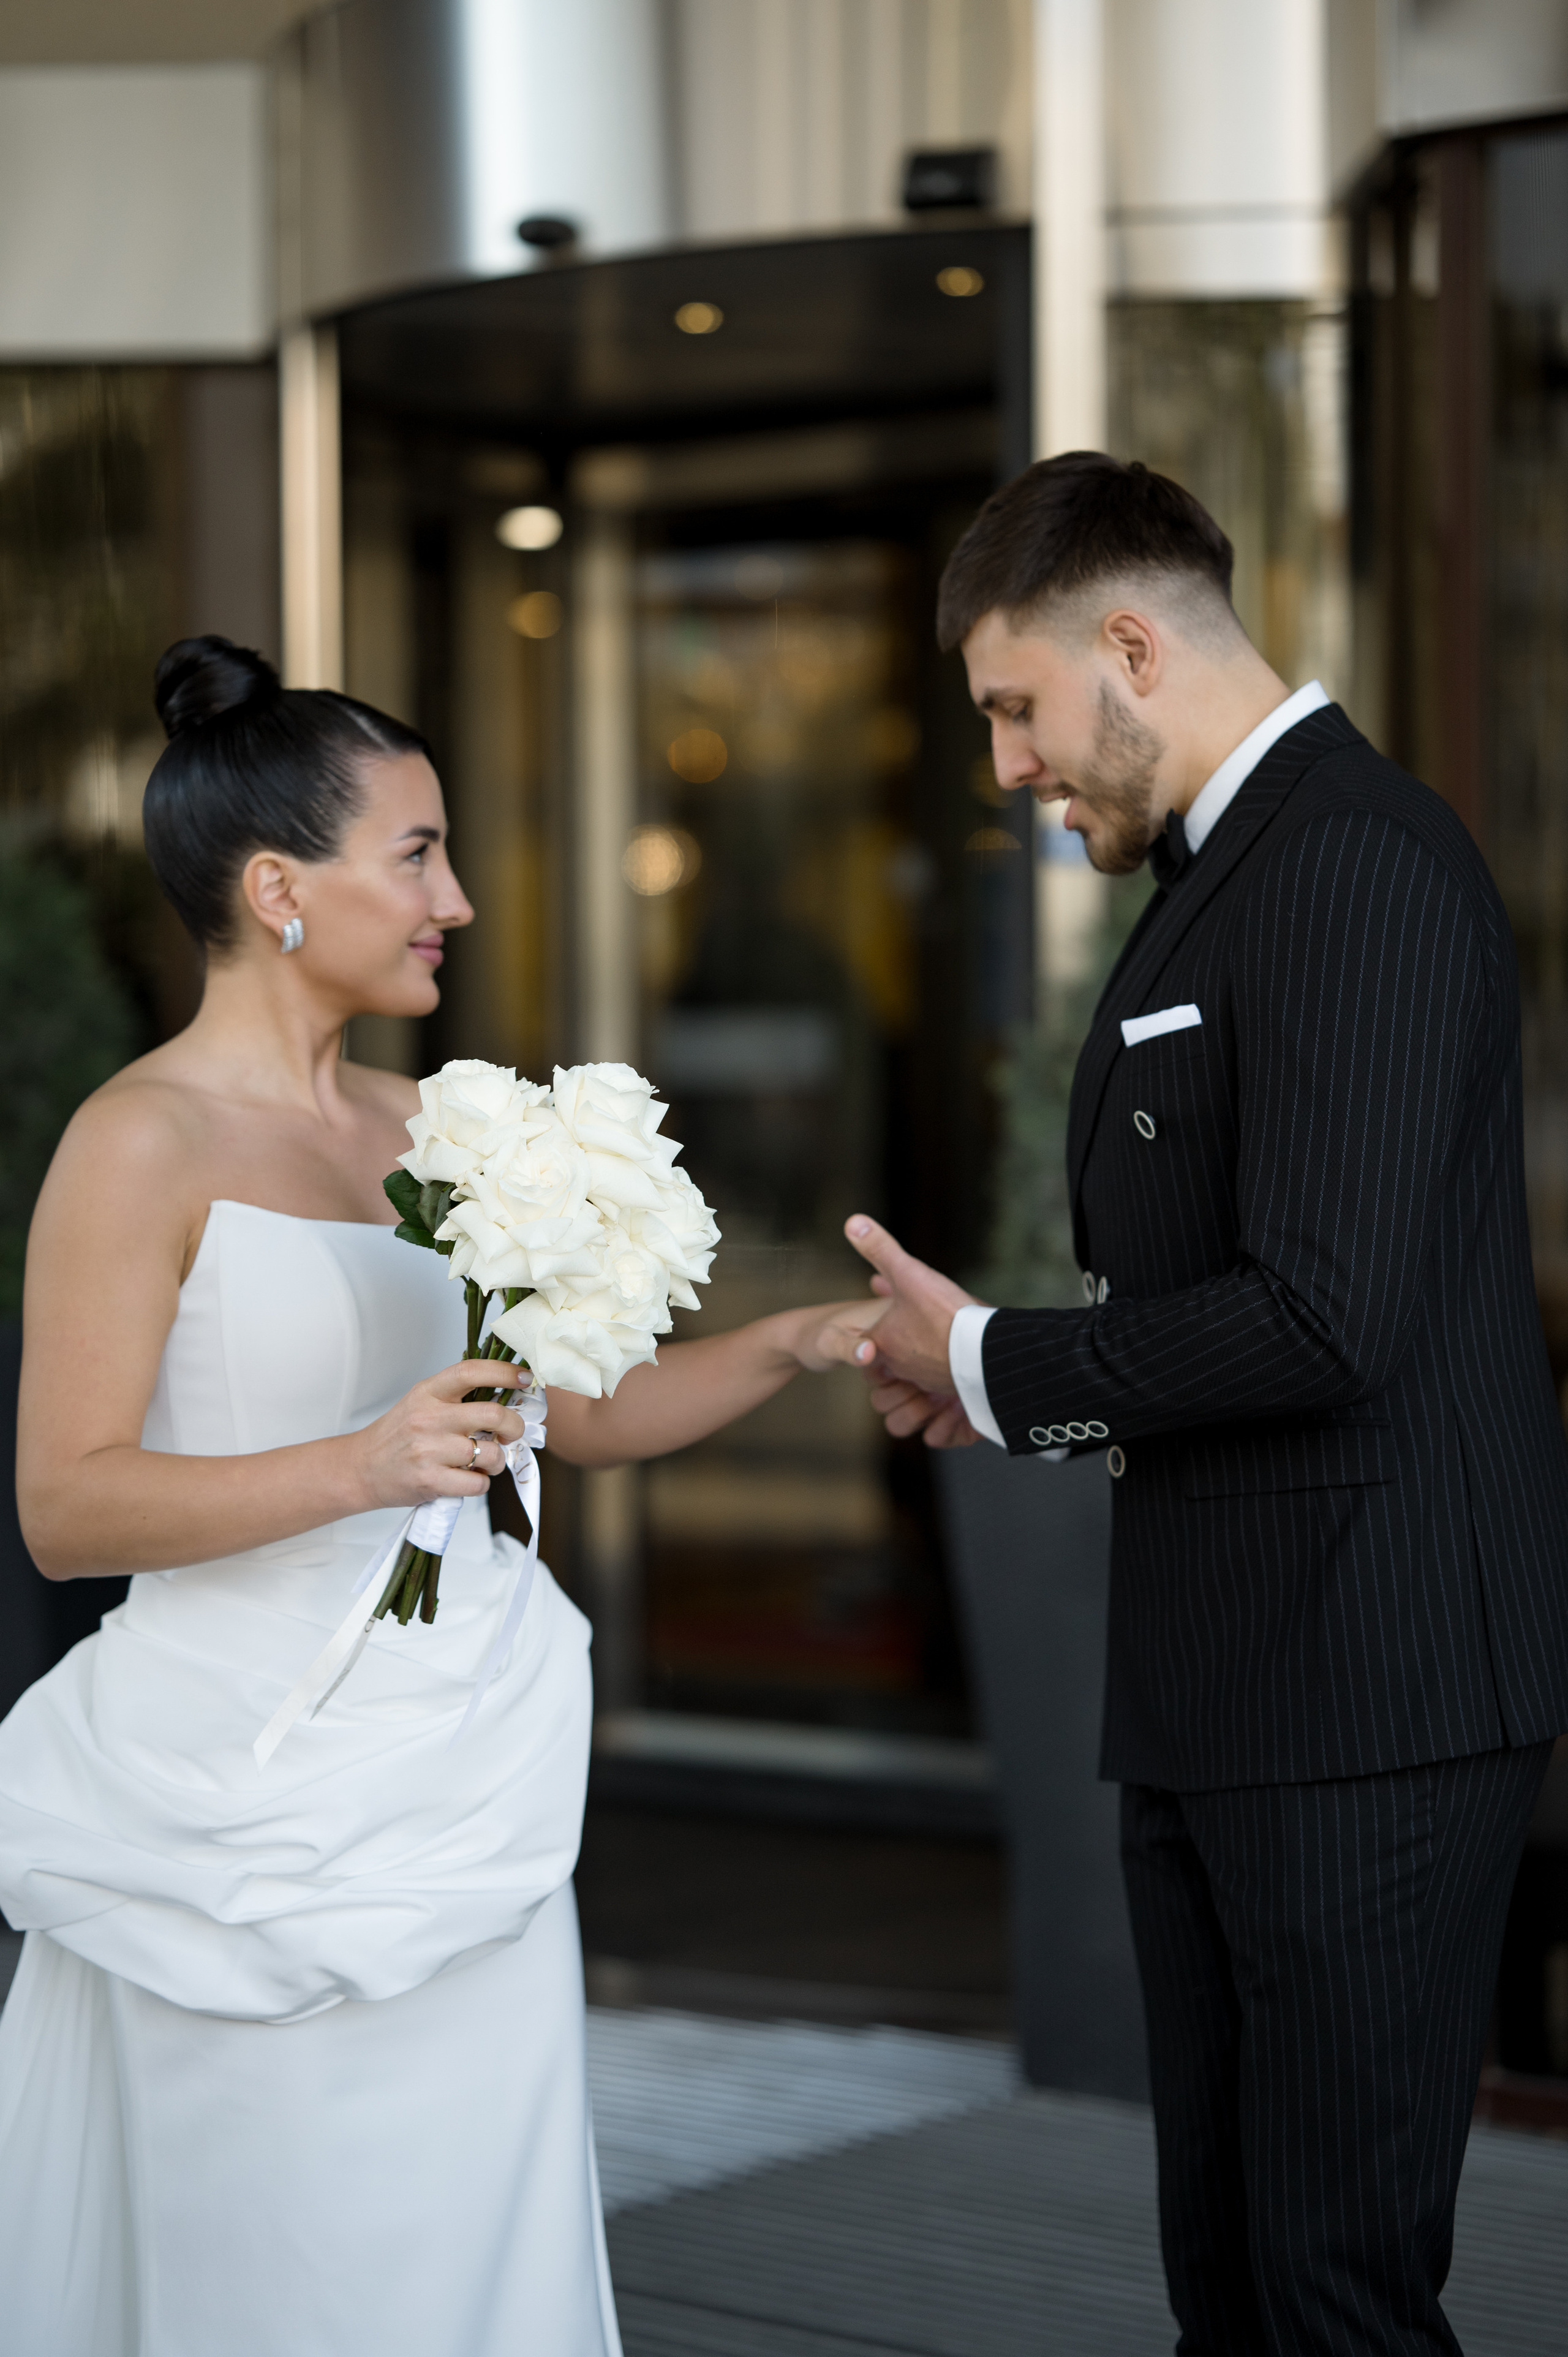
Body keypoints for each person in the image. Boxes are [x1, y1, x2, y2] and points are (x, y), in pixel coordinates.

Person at [0, 636, 880, 2357]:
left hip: (464, 1783)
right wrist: (362, 1463)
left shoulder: (435, 1131)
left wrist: (797, 1343)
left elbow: (559, 1425)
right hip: (240, 1810)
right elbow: (65, 1507)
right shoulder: (138, 1141)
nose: (459, 901)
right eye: (417, 855)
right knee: (284, 2266)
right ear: (275, 888)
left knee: (470, 2247)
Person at [834, 455, 1568, 2355]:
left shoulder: (1350, 860)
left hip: (1366, 1708)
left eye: (1016, 705)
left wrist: (995, 1367)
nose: (1004, 766)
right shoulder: (1235, 872)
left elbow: (1325, 1318)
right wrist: (1008, 1387)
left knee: (1329, 2294)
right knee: (1236, 2288)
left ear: (1132, 646)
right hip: (1240, 1696)